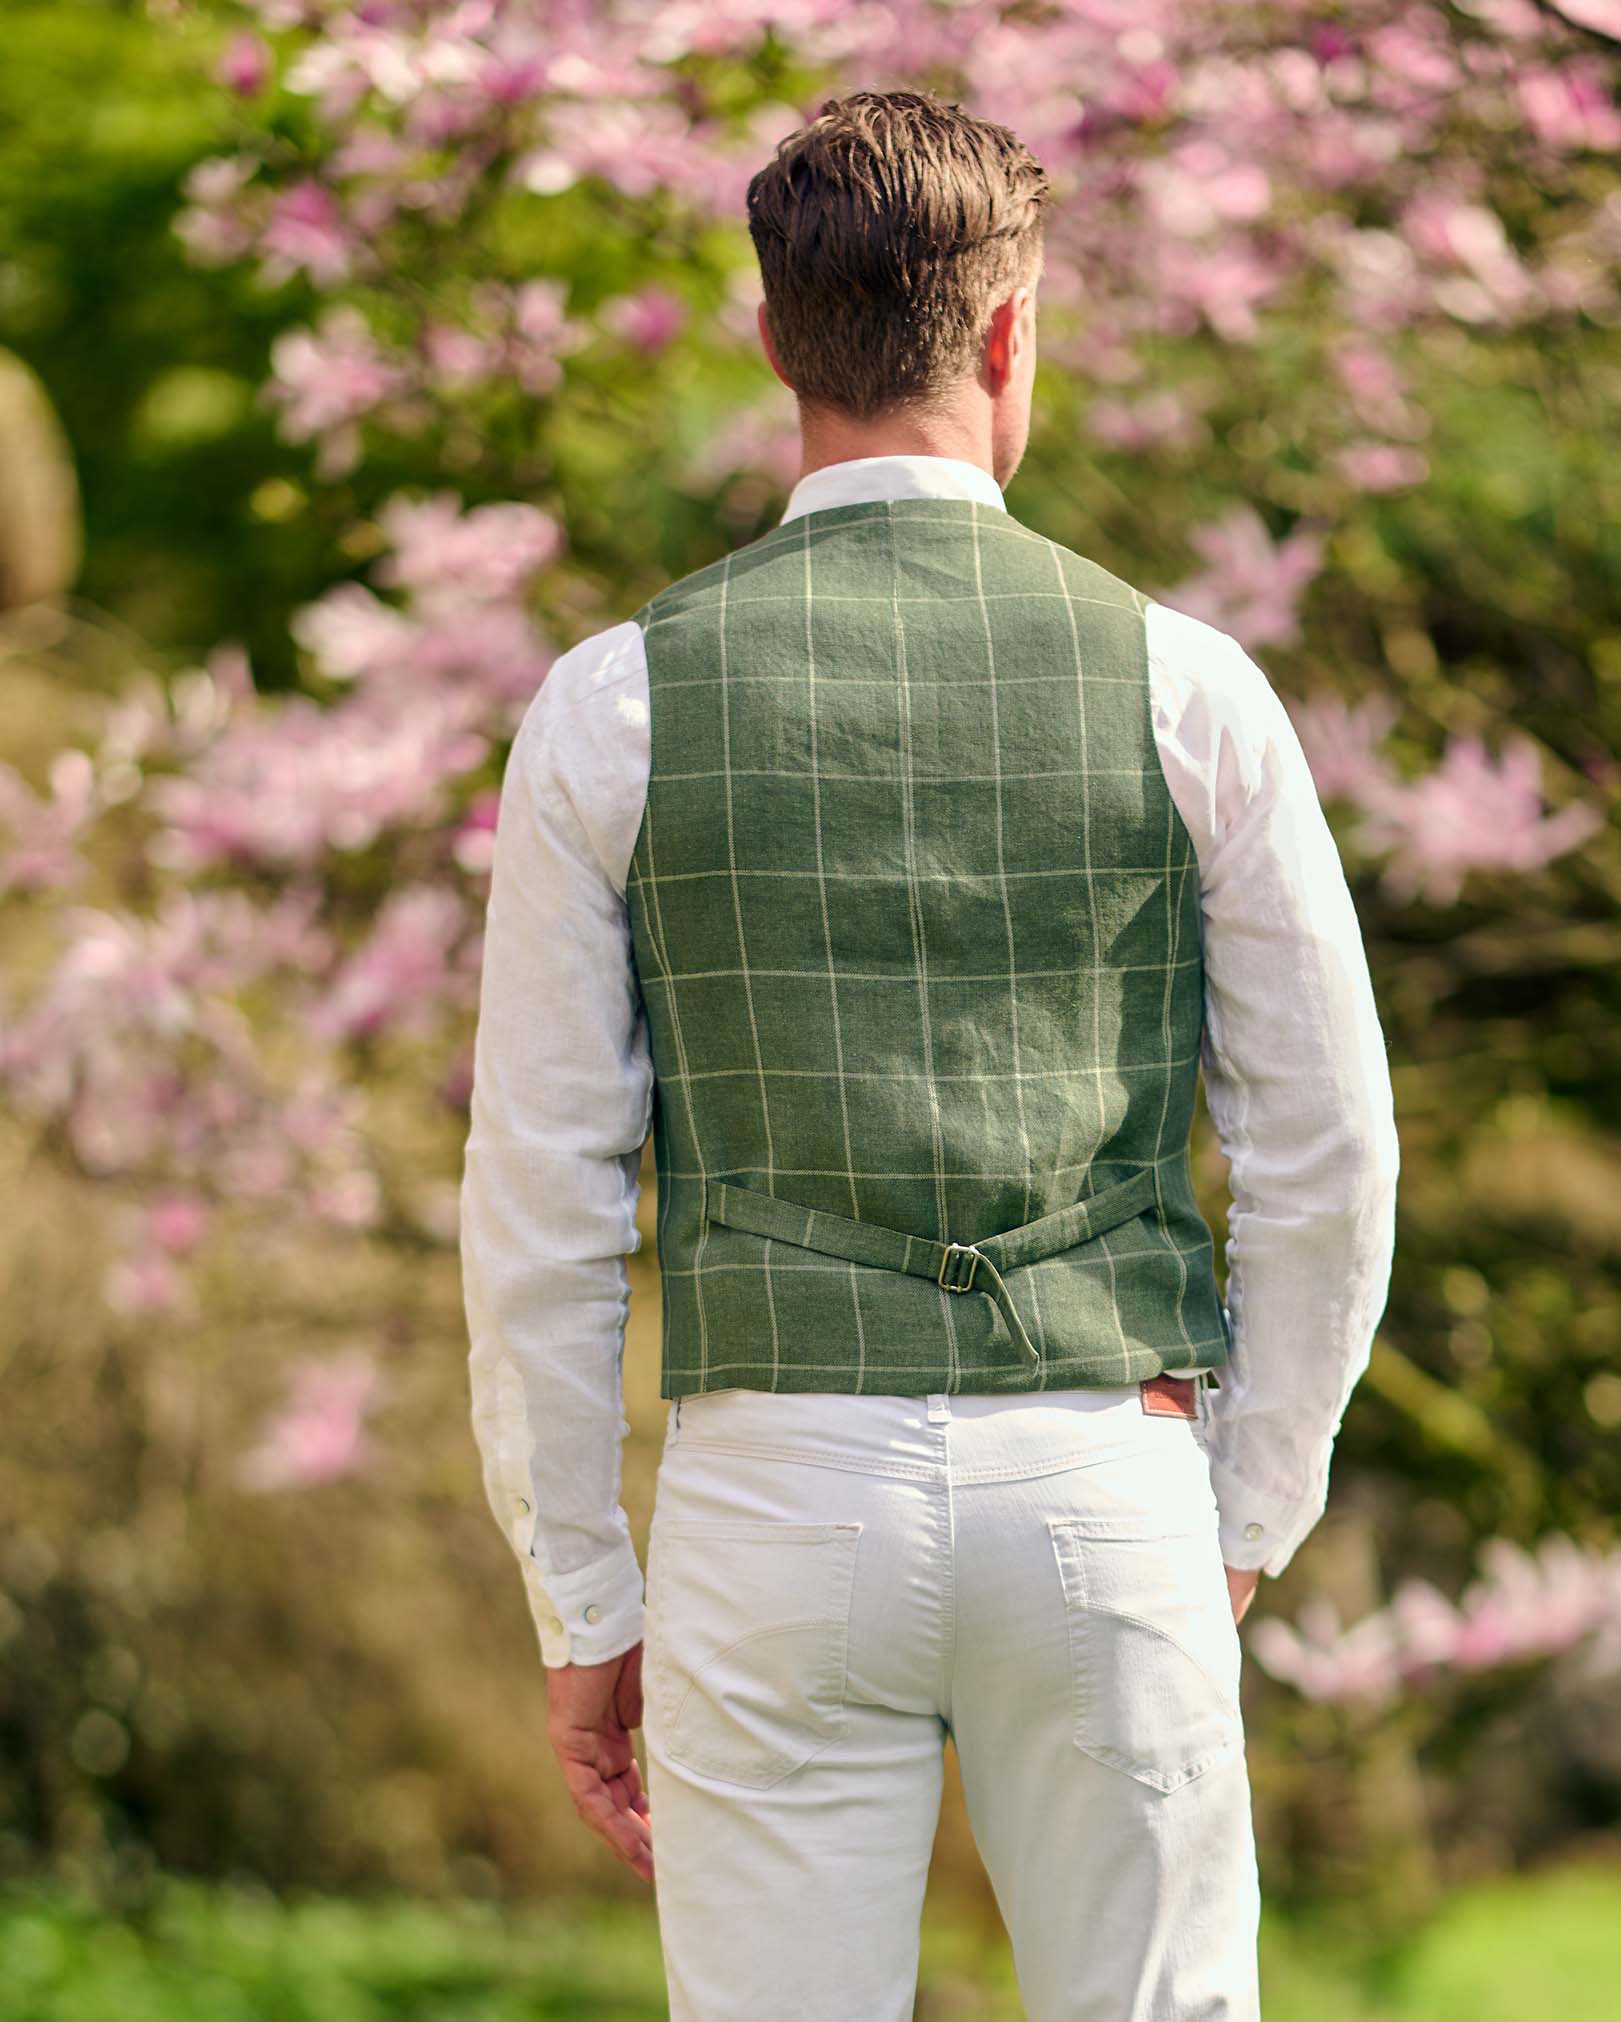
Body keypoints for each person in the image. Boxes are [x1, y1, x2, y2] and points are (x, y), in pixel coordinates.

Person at [459, 85, 1399, 2022]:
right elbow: (1326, 1151)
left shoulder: (610, 707)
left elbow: (539, 1200)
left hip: (770, 1492)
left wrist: (584, 1600)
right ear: (1004, 339)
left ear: (771, 338)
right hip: (1099, 1469)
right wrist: (1241, 1516)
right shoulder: (1186, 686)